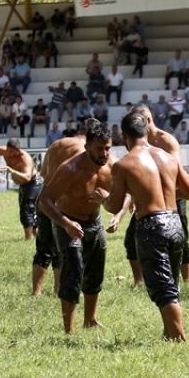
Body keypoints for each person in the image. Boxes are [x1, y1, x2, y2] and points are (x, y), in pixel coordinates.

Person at [103, 113, 189, 340]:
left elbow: (114, 204)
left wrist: (101, 198)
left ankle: (178, 338)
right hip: (175, 222)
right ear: (146, 132)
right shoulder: (167, 157)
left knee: (162, 288)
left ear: (123, 136)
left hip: (151, 225)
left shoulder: (124, 164)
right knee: (171, 283)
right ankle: (168, 334)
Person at [38, 121, 128, 335]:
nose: (104, 153)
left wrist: (118, 215)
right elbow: (45, 200)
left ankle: (90, 319)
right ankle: (68, 329)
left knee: (95, 272)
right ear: (87, 146)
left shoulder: (112, 166)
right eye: (99, 148)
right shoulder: (71, 168)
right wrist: (66, 224)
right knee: (73, 270)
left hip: (94, 222)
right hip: (68, 221)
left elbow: (128, 195)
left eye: (108, 148)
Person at [0, 138, 40, 240]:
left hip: (33, 183)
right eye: (8, 150)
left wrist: (11, 170)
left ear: (18, 150)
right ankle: (37, 237)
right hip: (23, 184)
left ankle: (27, 239)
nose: (9, 154)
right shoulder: (4, 151)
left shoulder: (25, 158)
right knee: (26, 210)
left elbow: (27, 177)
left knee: (27, 210)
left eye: (12, 152)